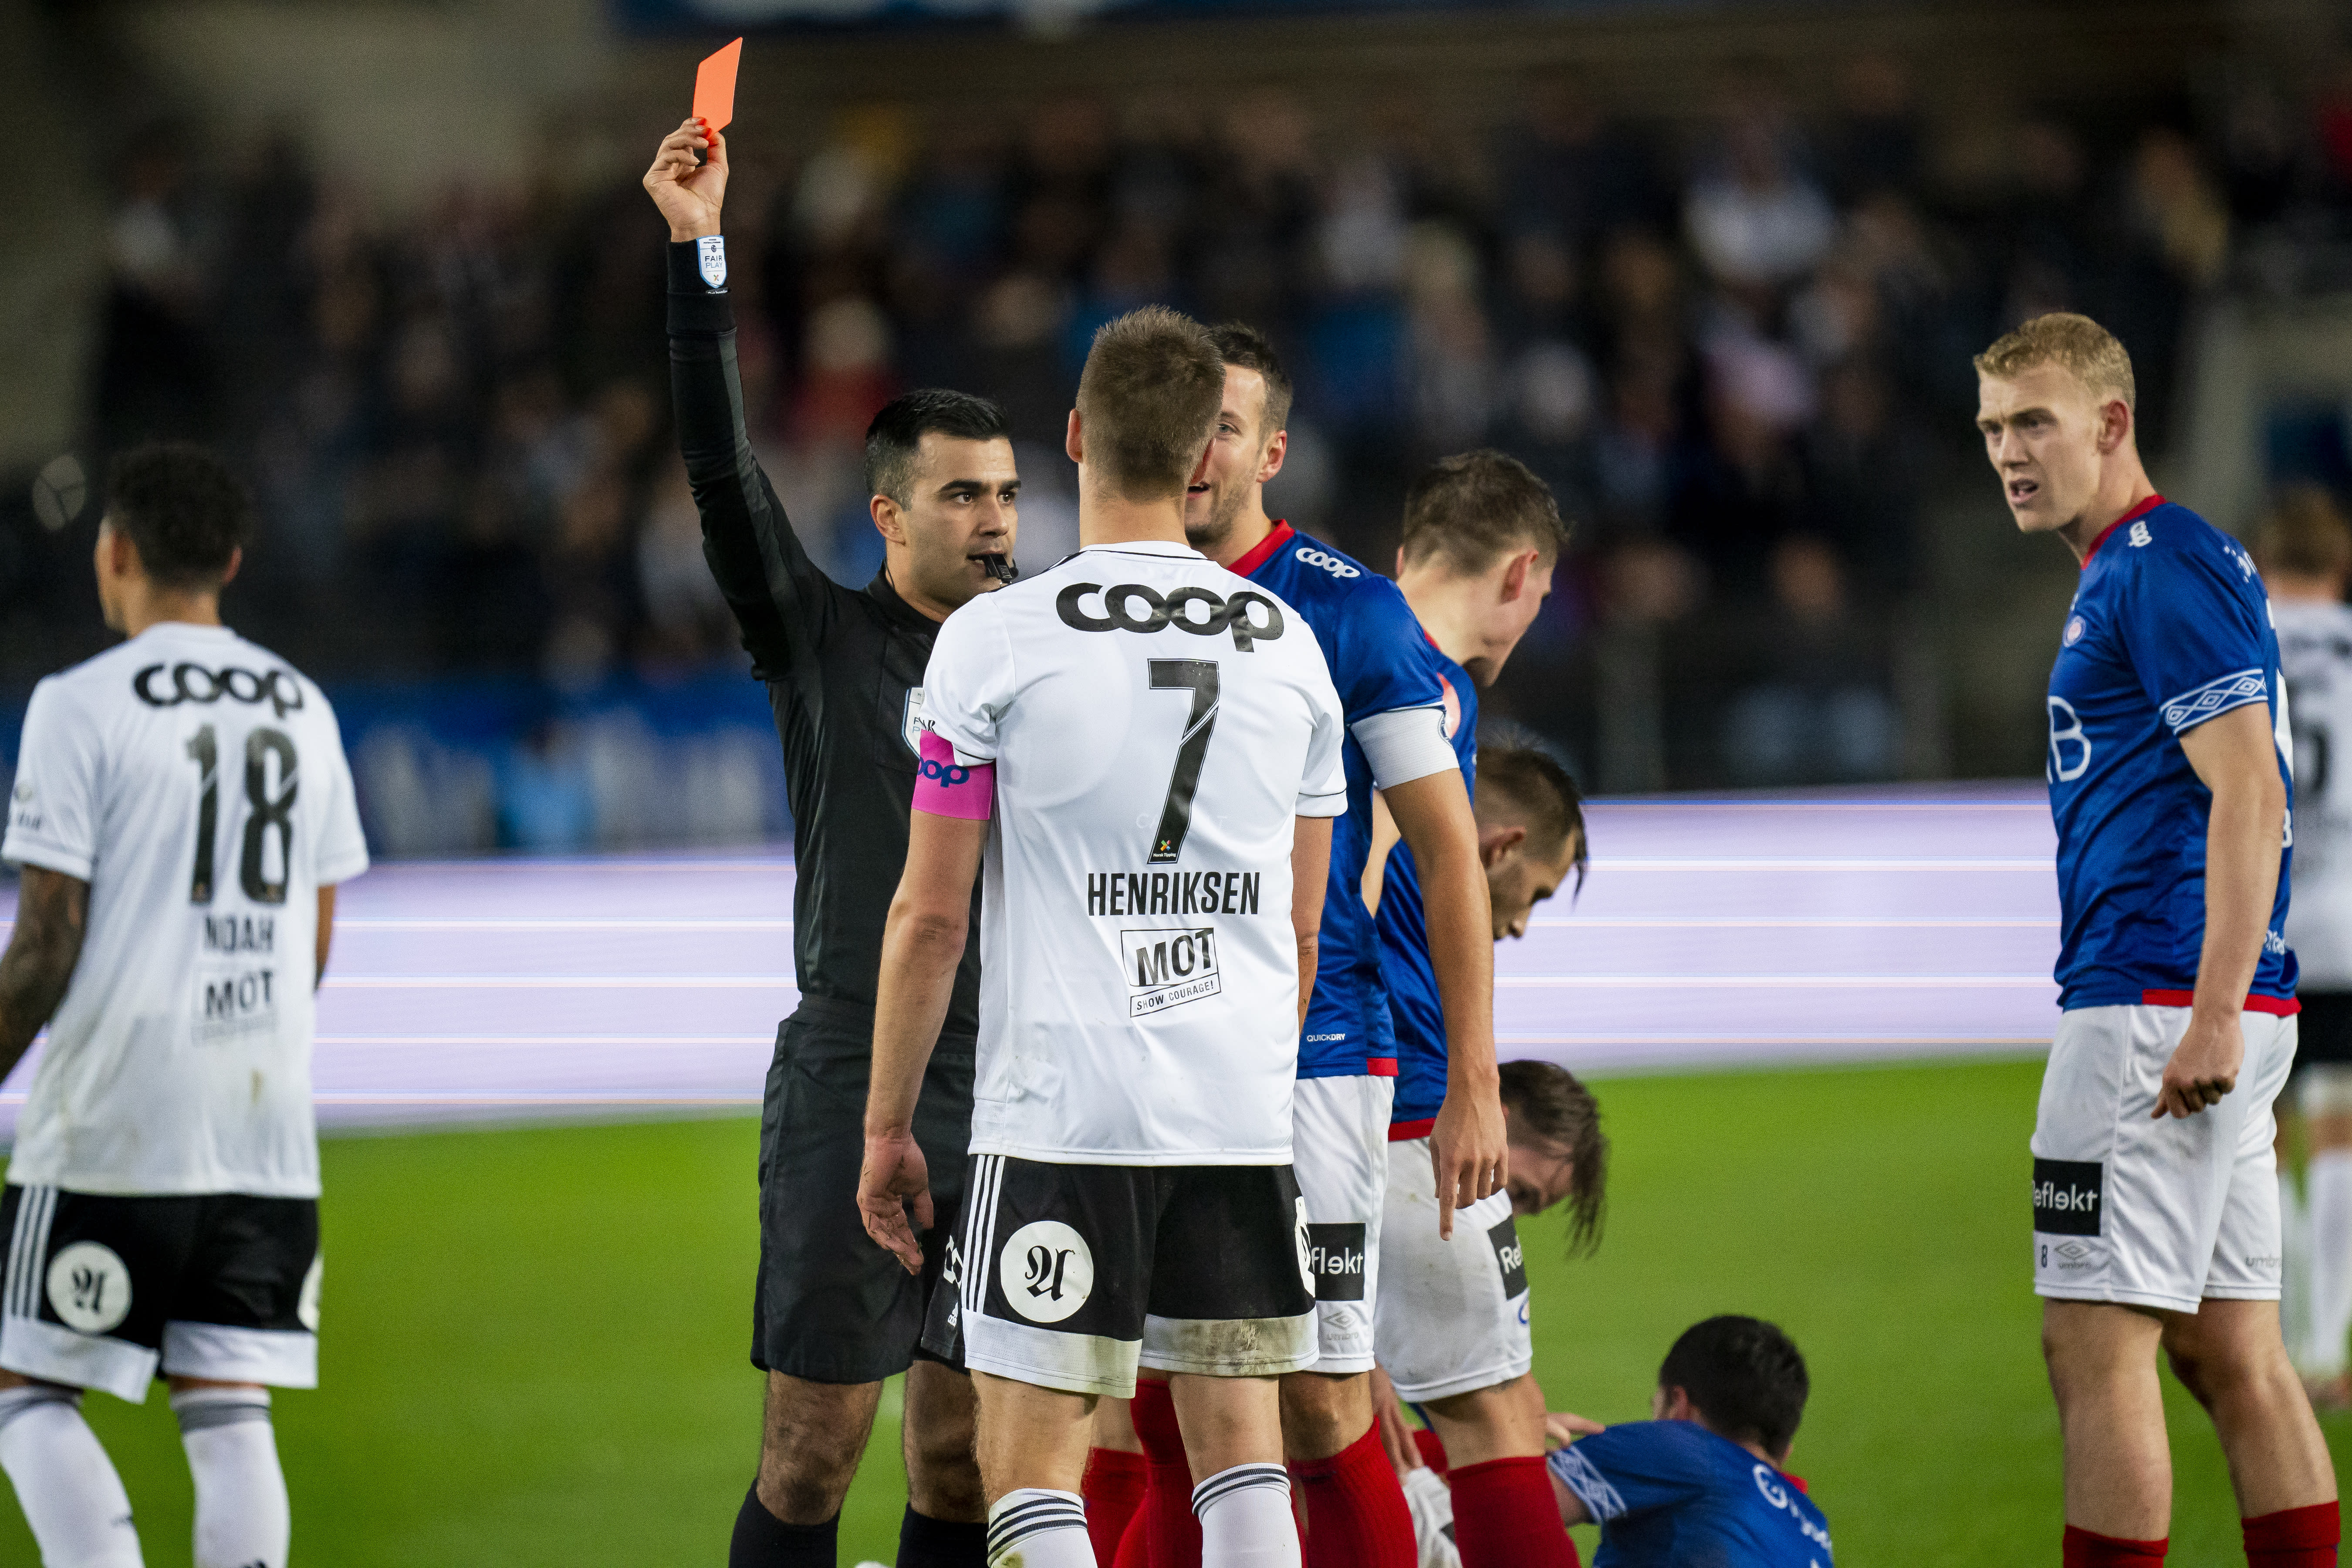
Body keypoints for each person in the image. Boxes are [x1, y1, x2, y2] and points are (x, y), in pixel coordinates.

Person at [855, 304, 1348, 1568]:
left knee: (1028, 1467)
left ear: (1075, 437)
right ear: (1201, 456)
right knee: (1241, 1456)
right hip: (1234, 1113)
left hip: (1063, 1117)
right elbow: (1304, 922)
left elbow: (930, 916)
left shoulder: (995, 639)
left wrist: (887, 1126)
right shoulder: (1289, 646)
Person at [645, 118, 1021, 1568]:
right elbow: (720, 470)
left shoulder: (1049, 656)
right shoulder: (821, 641)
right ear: (887, 516)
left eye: (1006, 492)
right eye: (960, 495)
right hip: (852, 1069)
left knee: (965, 1462)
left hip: (1012, 1077)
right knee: (813, 1457)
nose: (994, 521)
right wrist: (700, 255)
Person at [1089, 324, 1506, 1568]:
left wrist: (1473, 1081)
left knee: (1322, 1396)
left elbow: (1448, 852)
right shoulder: (1102, 604)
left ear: (1271, 451)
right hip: (1152, 1047)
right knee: (1161, 1396)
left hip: (1315, 1050)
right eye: (1186, 422)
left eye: (1226, 427)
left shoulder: (1348, 611)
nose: (1199, 449)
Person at [1981, 311, 2339, 1565]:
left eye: (2034, 422)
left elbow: (2250, 788)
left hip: (2155, 1009)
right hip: (2205, 1005)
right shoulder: (2147, 566)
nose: (2008, 451)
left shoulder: (2155, 565)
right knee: (2235, 1351)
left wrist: (2212, 1011)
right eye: (1992, 428)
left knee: (2092, 1345)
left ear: (2112, 423)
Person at [0, 442, 369, 1568]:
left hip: (118, 1118)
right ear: (233, 562)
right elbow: (314, 934)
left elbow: (46, 939)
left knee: (22, 1385)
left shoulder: (79, 705)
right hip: (262, 1129)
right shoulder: (304, 707)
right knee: (227, 1408)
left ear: (114, 553)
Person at [2257, 491, 2352, 1408]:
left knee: (2265, 1139)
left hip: (2259, 922)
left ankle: (2283, 1349)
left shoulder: (2241, 651)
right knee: (2339, 1135)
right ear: (2341, 564)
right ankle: (2328, 1351)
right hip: (2347, 923)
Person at [1544, 1316, 1832, 1567]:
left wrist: (1520, 1435)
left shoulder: (1686, 1449)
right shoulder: (1814, 1531)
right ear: (1784, 1455)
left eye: (1656, 1408)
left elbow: (1520, 1509)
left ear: (1678, 1408)